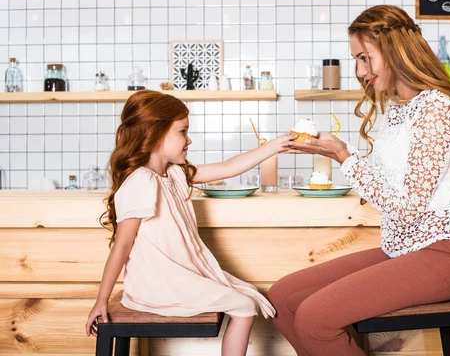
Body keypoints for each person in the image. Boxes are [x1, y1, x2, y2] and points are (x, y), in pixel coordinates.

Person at [270, 5, 450, 356]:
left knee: (314, 317)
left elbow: (406, 206)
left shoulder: (436, 108)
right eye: (356, 60)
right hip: (402, 250)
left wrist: (344, 156)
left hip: (449, 253)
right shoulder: (396, 110)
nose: (359, 71)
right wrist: (335, 152)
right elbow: (386, 182)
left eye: (364, 58)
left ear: (394, 49)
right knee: (282, 299)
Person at [84, 90, 295, 356]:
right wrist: (101, 300)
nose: (189, 139)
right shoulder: (140, 181)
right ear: (156, 133)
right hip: (156, 285)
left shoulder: (174, 174)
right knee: (243, 305)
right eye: (183, 131)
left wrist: (274, 146)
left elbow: (228, 167)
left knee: (248, 296)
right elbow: (122, 245)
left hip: (175, 277)